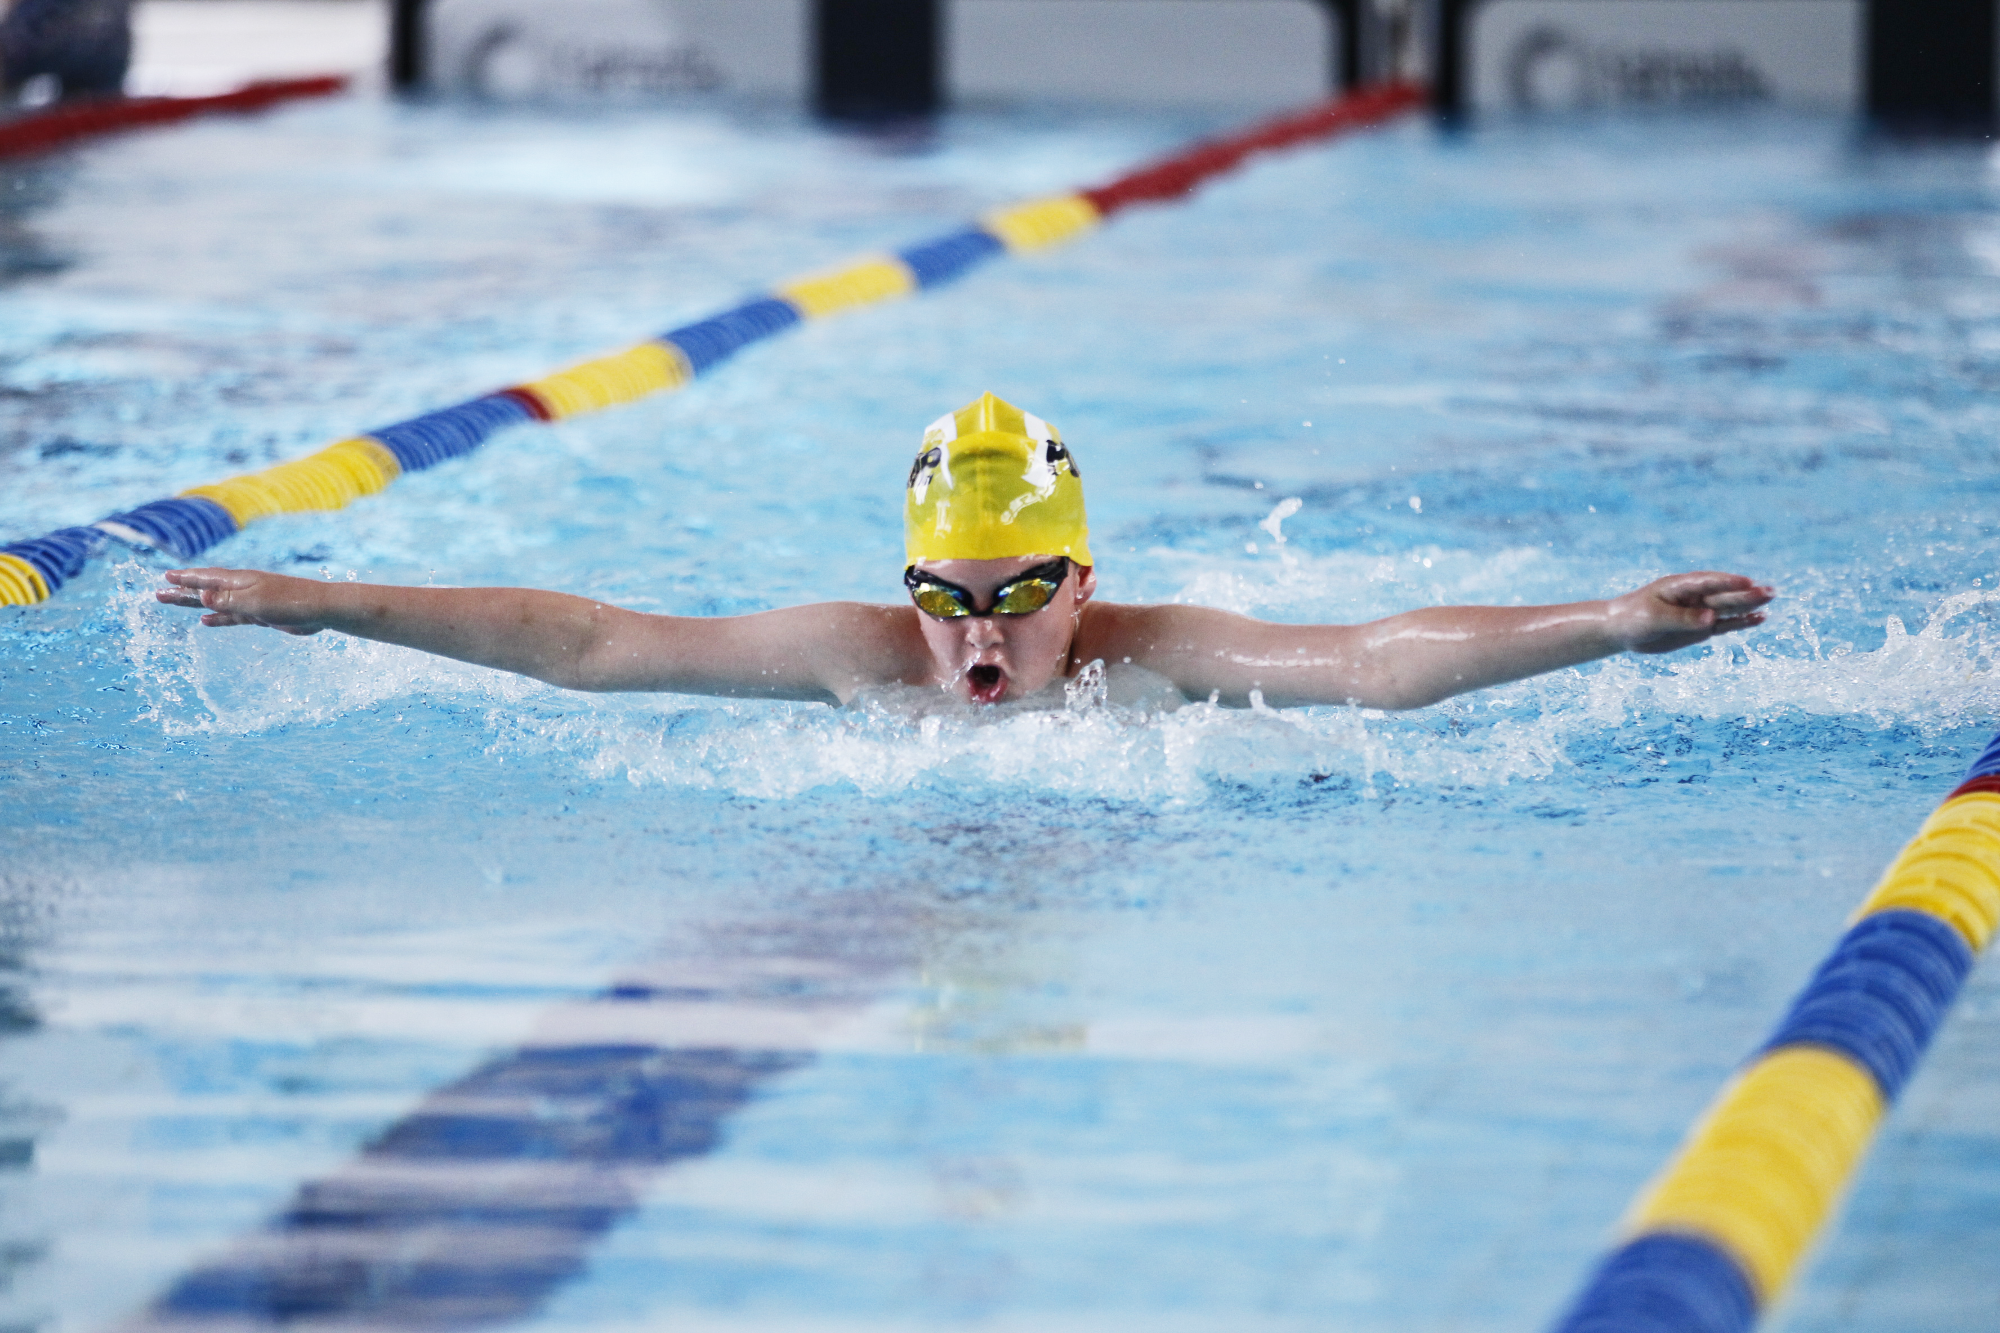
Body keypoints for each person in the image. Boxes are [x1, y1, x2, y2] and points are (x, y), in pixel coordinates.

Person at [157, 392, 1773, 710]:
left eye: (1016, 601)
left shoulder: (1149, 660)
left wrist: (1611, 621)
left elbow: (1368, 665)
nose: (977, 643)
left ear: (1083, 582)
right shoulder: (859, 658)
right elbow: (587, 643)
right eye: (944, 601)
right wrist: (317, 605)